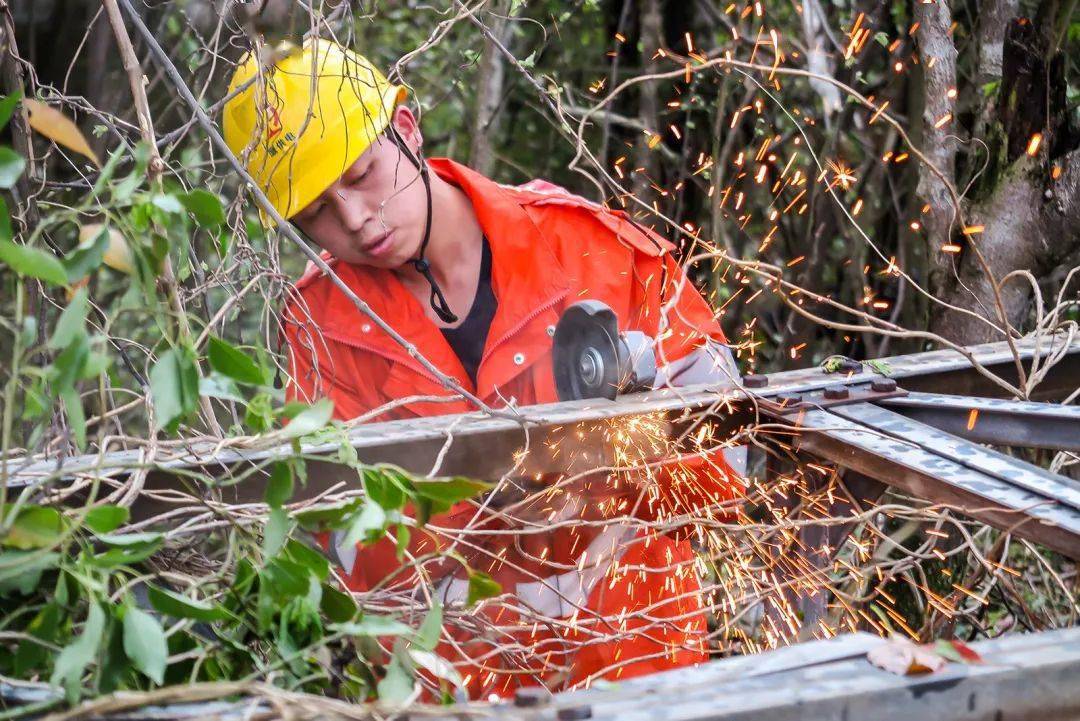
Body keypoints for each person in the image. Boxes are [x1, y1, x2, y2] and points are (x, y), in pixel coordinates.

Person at [223, 37, 746, 699]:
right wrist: (484, 499)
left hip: (643, 680)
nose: (355, 220)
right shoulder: (321, 329)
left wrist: (618, 456)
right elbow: (348, 557)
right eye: (317, 211)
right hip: (458, 698)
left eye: (360, 175)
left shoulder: (589, 248)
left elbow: (735, 464)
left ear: (405, 129)